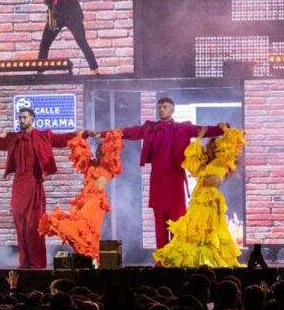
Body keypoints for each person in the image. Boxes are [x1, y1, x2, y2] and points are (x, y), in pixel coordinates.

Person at [0, 107, 81, 268]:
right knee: (21, 227)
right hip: (19, 186)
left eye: (24, 117)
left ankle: (37, 262)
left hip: (34, 185)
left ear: (32, 119)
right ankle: (25, 262)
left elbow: (62, 139)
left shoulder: (44, 136)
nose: (21, 120)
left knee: (35, 226)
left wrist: (81, 134)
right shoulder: (13, 138)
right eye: (20, 117)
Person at [102, 97, 226, 250]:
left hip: (175, 184)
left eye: (165, 107)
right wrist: (102, 134)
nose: (161, 110)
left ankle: (175, 260)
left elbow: (203, 130)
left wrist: (223, 129)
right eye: (159, 107)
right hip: (158, 184)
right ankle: (160, 261)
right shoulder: (150, 128)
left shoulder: (183, 128)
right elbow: (128, 132)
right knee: (160, 228)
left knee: (177, 226)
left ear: (172, 109)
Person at [153, 127, 246, 268]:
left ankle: (206, 261)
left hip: (210, 199)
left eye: (216, 146)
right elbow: (192, 158)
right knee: (194, 229)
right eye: (211, 147)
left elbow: (232, 142)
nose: (213, 149)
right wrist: (199, 137)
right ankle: (196, 261)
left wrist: (224, 129)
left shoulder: (223, 160)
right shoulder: (205, 165)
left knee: (207, 230)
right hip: (200, 199)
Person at [38, 130, 123, 262]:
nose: (99, 150)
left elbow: (114, 144)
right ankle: (88, 262)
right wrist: (83, 135)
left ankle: (93, 261)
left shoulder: (109, 167)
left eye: (102, 148)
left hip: (96, 202)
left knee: (87, 231)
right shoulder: (90, 165)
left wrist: (101, 134)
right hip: (85, 200)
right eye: (98, 148)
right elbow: (79, 152)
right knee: (79, 231)